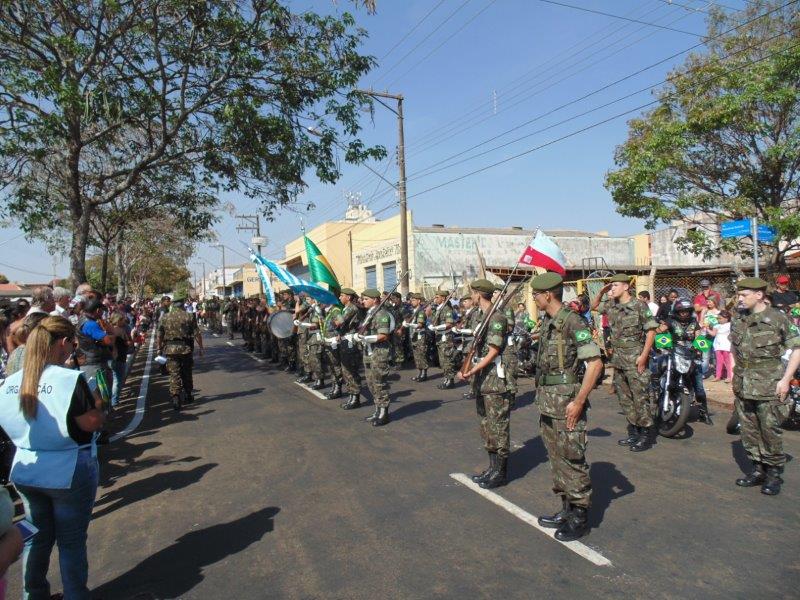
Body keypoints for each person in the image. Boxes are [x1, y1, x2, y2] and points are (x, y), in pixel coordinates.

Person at [0, 316, 105, 600]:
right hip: (68, 468)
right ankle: (75, 595)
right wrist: (99, 403)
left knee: (36, 537)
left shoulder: (10, 382)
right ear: (62, 343)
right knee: (71, 542)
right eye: (71, 341)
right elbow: (92, 422)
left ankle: (33, 594)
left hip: (26, 468)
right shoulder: (69, 380)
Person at [530, 272, 603, 542]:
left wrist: (580, 400)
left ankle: (580, 518)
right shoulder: (549, 322)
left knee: (572, 458)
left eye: (536, 295)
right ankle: (566, 509)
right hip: (549, 402)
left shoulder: (572, 322)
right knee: (557, 457)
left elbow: (595, 364)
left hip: (567, 403)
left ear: (547, 294)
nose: (535, 299)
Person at [730, 277, 800, 496]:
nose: (740, 299)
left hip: (769, 382)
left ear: (759, 295)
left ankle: (773, 473)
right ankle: (757, 469)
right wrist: (734, 369)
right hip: (743, 381)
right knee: (749, 429)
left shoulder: (777, 318)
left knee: (769, 429)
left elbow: (797, 348)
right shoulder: (738, 319)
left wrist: (786, 379)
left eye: (744, 295)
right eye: (739, 295)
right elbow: (733, 346)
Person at [593, 274, 658, 452]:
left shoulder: (638, 305)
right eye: (611, 286)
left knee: (639, 396)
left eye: (614, 286)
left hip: (635, 356)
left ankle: (646, 434)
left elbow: (651, 331)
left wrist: (644, 356)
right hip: (618, 358)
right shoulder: (611, 305)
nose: (612, 289)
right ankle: (634, 431)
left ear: (625, 287)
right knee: (625, 397)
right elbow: (594, 306)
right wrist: (601, 291)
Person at [457, 279, 510, 489]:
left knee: (498, 426)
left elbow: (494, 350)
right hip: (481, 379)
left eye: (473, 293)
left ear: (479, 294)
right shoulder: (480, 316)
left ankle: (501, 472)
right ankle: (492, 466)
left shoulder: (496, 317)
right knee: (486, 425)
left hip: (494, 380)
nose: (471, 296)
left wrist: (471, 369)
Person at [657, 298, 712, 424]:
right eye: (681, 311)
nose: (684, 313)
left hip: (691, 357)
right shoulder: (670, 321)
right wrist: (661, 343)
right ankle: (657, 397)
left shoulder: (694, 322)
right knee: (659, 369)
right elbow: (658, 331)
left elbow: (699, 336)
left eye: (687, 311)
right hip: (673, 355)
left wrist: (698, 348)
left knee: (699, 387)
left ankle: (704, 413)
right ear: (677, 311)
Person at [157, 292, 203, 410]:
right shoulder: (189, 316)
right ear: (182, 304)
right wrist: (201, 347)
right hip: (185, 349)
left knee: (174, 373)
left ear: (173, 304)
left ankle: (176, 396)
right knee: (186, 372)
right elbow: (197, 334)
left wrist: (159, 348)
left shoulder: (165, 317)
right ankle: (188, 395)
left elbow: (160, 335)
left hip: (170, 349)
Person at [353, 289, 392, 426]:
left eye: (365, 299)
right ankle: (377, 410)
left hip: (379, 353)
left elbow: (384, 335)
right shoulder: (369, 313)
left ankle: (384, 414)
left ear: (375, 300)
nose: (362, 301)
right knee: (370, 383)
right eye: (362, 299)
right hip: (368, 352)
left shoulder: (381, 314)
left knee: (379, 383)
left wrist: (365, 338)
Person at [334, 288, 363, 409]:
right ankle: (351, 396)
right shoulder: (346, 308)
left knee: (351, 370)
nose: (340, 298)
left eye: (342, 295)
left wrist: (331, 314)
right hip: (345, 340)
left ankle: (355, 398)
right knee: (346, 370)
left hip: (350, 342)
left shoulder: (351, 308)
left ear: (349, 297)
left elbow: (338, 322)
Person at [429, 290, 456, 389]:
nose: (435, 299)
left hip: (446, 338)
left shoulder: (447, 309)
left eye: (437, 297)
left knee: (447, 360)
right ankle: (446, 379)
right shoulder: (438, 309)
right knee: (443, 360)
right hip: (440, 338)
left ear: (443, 298)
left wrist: (436, 328)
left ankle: (450, 380)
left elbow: (449, 324)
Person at [108, 312, 132, 408]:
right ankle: (114, 401)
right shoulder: (120, 331)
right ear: (118, 321)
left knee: (113, 379)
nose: (123, 322)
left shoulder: (108, 330)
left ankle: (112, 400)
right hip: (119, 357)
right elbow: (128, 343)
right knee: (118, 380)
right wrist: (131, 339)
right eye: (122, 320)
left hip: (110, 358)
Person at [404, 293, 429, 382]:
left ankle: (424, 374)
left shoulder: (421, 311)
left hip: (420, 336)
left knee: (421, 355)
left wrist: (409, 324)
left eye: (414, 300)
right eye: (411, 300)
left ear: (419, 301)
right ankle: (419, 373)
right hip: (414, 336)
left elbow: (420, 325)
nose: (412, 302)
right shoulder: (413, 311)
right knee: (416, 356)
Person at [709, 309, 733, 382]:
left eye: (720, 318)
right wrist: (707, 329)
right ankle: (718, 376)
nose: (719, 320)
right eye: (718, 318)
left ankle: (729, 376)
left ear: (726, 318)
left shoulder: (730, 325)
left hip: (726, 344)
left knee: (727, 361)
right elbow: (713, 334)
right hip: (718, 345)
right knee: (719, 361)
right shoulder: (716, 326)